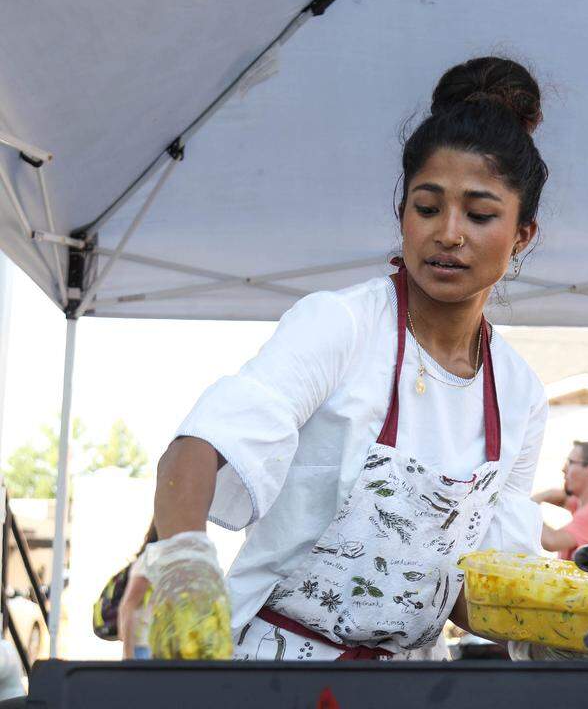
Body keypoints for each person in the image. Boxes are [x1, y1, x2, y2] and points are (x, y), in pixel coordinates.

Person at [140, 56, 551, 662]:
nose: (449, 233)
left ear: (522, 235)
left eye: (481, 214)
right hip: (282, 669)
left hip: (416, 684)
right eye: (428, 207)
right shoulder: (342, 326)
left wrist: (565, 629)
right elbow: (196, 450)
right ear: (401, 213)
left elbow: (470, 592)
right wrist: (183, 567)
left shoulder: (518, 392)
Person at [532, 442, 588, 560]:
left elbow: (550, 541)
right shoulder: (585, 504)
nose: (564, 469)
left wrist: (530, 507)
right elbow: (560, 497)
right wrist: (544, 495)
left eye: (571, 462)